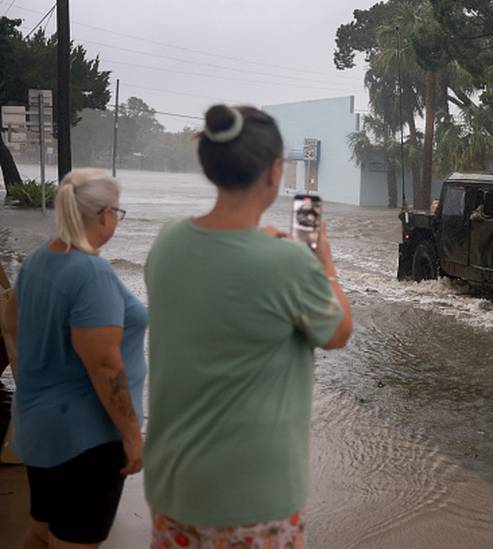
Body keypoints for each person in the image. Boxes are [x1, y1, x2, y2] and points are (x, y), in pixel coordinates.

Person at [144, 105, 353, 549]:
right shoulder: (290, 263)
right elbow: (337, 332)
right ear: (275, 172)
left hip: (173, 488)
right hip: (253, 500)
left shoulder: (167, 243)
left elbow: (226, 285)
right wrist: (324, 262)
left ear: (210, 165)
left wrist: (277, 253)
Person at [4, 169, 147, 548]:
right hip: (87, 439)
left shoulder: (38, 260)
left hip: (39, 426)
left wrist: (38, 374)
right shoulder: (91, 272)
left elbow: (11, 322)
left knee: (41, 533)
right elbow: (104, 364)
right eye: (119, 212)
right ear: (105, 214)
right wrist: (132, 436)